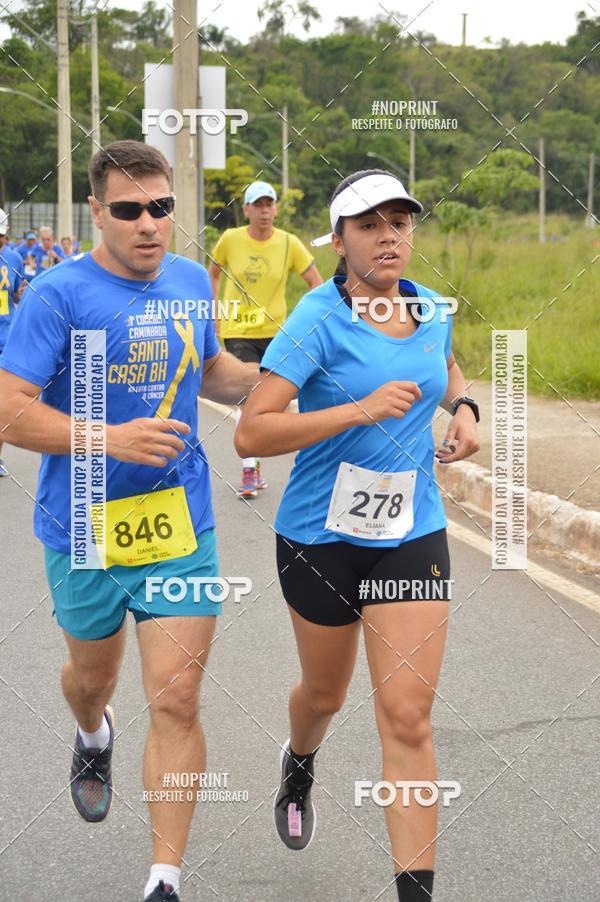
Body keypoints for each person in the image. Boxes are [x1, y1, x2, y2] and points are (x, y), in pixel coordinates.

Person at [0, 139, 258, 902]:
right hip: (82, 523)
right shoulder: (57, 295)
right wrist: (106, 438)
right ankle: (92, 734)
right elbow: (9, 411)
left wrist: (284, 379)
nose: (149, 224)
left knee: (176, 696)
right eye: (128, 210)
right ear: (96, 212)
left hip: (181, 521)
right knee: (91, 678)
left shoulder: (188, 280)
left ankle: (165, 879)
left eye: (162, 208)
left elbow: (212, 369)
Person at [236, 169, 481, 902]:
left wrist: (463, 407)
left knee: (407, 716)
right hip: (320, 538)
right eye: (370, 226)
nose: (389, 238)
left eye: (400, 224)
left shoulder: (431, 307)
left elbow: (440, 364)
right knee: (324, 694)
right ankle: (300, 761)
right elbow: (252, 429)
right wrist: (359, 411)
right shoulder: (317, 318)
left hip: (411, 532)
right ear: (339, 241)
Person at [208, 180, 322, 498]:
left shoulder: (289, 243)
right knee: (251, 394)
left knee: (275, 403)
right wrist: (214, 310)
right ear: (245, 210)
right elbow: (213, 273)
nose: (264, 211)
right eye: (257, 205)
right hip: (238, 330)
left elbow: (316, 283)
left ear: (275, 208)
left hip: (277, 333)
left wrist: (302, 320)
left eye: (269, 204)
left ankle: (254, 462)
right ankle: (248, 468)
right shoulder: (230, 240)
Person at [0, 208, 25, 476]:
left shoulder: (14, 259)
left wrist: (22, 292)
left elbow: (16, 297)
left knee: (2, 404)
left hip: (6, 340)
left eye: (2, 236)